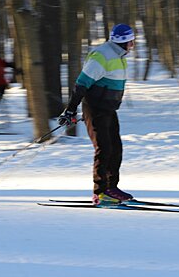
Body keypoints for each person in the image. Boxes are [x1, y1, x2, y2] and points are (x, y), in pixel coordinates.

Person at [58, 24, 136, 206]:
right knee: (104, 148)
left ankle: (111, 188)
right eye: (132, 41)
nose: (133, 44)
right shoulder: (102, 56)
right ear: (125, 41)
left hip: (108, 109)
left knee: (116, 148)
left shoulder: (119, 55)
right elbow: (81, 84)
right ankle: (100, 193)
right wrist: (71, 109)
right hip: (95, 108)